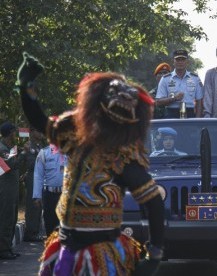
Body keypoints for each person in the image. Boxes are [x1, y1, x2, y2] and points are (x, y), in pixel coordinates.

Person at [16, 52, 164, 275]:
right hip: (66, 248)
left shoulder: (123, 157)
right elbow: (39, 121)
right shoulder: (74, 137)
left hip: (102, 256)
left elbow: (154, 201)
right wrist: (26, 88)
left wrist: (155, 255)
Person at [156, 49, 203, 118]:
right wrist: (174, 98)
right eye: (178, 60)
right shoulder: (165, 79)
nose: (180, 62)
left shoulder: (195, 78)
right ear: (173, 62)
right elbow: (158, 102)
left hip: (190, 113)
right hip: (171, 113)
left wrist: (198, 120)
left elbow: (199, 102)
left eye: (183, 59)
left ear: (187, 62)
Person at [33, 143, 67, 236]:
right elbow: (38, 175)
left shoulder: (70, 151)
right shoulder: (44, 152)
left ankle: (62, 248)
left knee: (64, 224)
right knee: (49, 223)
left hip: (65, 195)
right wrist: (37, 196)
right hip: (49, 194)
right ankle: (51, 247)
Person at [19, 127, 45, 242]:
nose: (41, 133)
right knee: (32, 205)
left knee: (38, 205)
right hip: (33, 177)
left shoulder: (38, 146)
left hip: (38, 177)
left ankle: (35, 231)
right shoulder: (29, 145)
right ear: (33, 132)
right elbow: (31, 163)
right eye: (38, 131)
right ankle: (30, 232)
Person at [0, 122, 21, 260]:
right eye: (14, 131)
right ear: (9, 133)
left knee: (12, 218)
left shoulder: (9, 148)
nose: (15, 134)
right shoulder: (2, 148)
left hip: (12, 189)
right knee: (6, 218)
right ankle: (3, 249)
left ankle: (8, 247)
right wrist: (23, 153)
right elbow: (10, 165)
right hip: (6, 189)